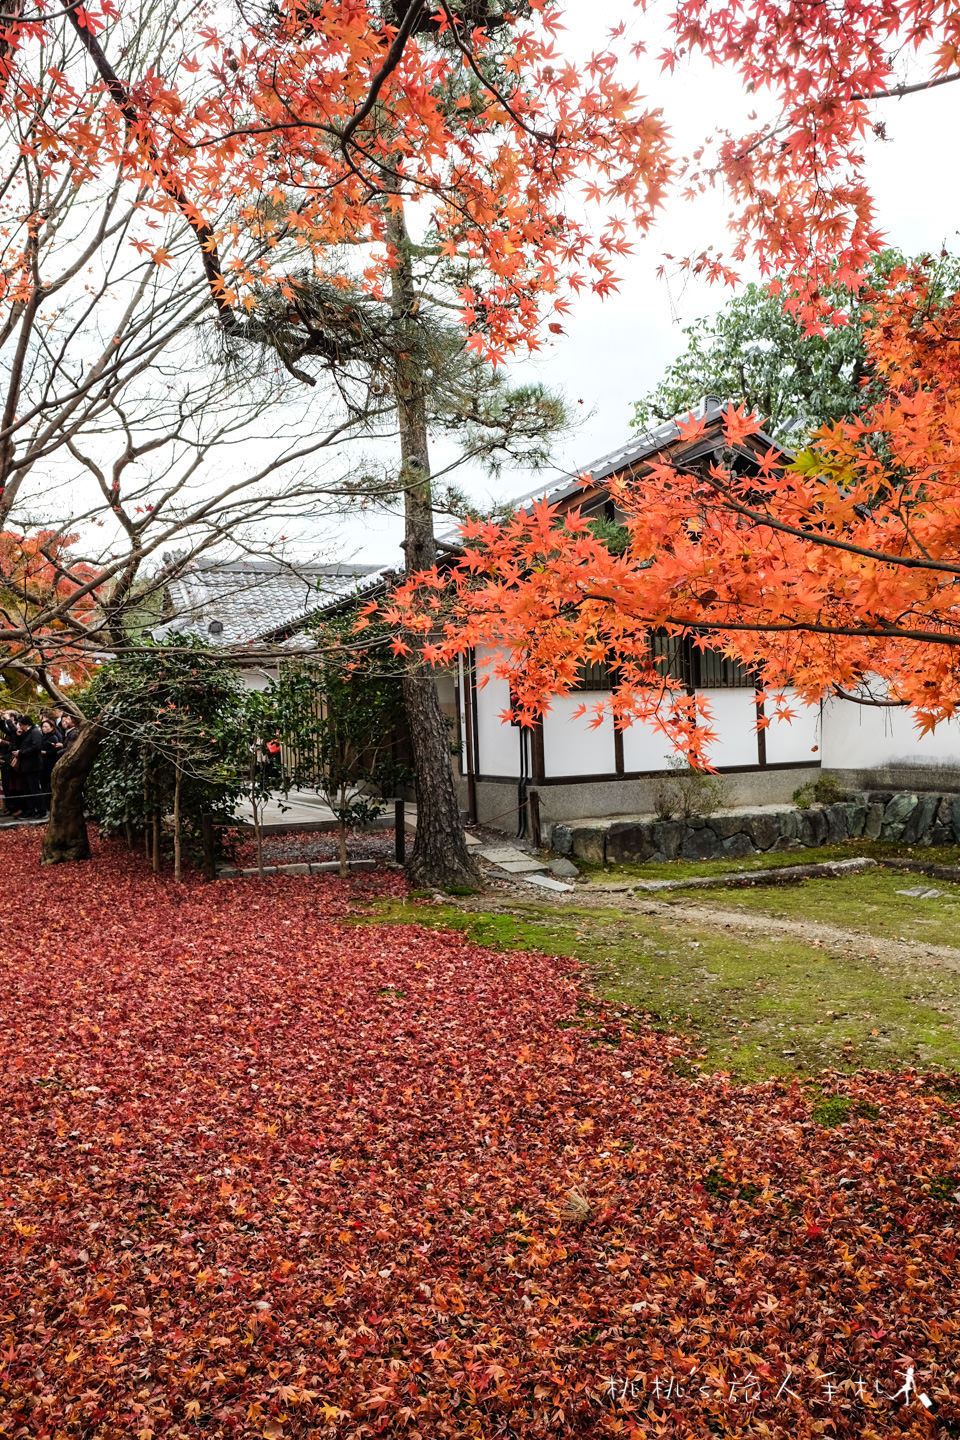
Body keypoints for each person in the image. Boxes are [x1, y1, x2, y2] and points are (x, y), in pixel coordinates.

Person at [13, 714, 43, 818]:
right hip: (26, 766)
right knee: (27, 789)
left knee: (34, 789)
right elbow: (21, 744)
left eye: (21, 725)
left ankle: (40, 810)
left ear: (26, 724)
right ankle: (30, 810)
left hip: (33, 766)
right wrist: (18, 736)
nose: (20, 727)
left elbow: (36, 747)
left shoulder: (35, 732)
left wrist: (21, 753)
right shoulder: (26, 733)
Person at [38, 717, 63, 815]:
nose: (44, 728)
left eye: (46, 726)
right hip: (43, 764)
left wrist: (44, 752)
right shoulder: (43, 737)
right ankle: (46, 804)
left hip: (49, 764)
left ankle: (50, 805)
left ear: (51, 727)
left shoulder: (53, 737)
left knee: (49, 785)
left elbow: (54, 751)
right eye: (43, 726)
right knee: (44, 785)